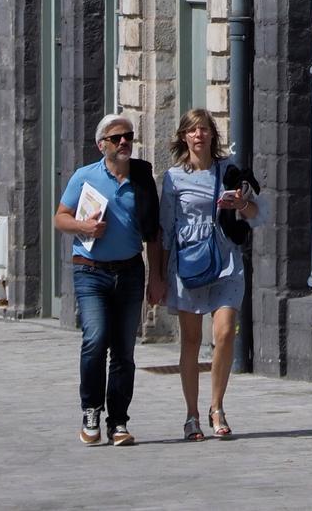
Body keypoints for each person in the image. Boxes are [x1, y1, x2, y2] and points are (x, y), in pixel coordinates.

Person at [54, 111, 167, 447]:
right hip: (91, 271)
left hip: (131, 271)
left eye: (128, 137)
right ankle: (91, 409)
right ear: (101, 144)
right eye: (117, 138)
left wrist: (156, 277)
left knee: (124, 351)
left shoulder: (142, 177)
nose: (124, 143)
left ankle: (118, 421)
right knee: (95, 338)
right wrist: (83, 227)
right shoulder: (84, 177)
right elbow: (60, 218)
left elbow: (153, 233)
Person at [161, 106, 260, 441]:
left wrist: (241, 205)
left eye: (204, 129)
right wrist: (157, 277)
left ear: (212, 135)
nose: (198, 135)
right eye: (192, 130)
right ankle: (191, 415)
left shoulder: (229, 171)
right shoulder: (174, 178)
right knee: (190, 340)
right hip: (189, 263)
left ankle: (216, 406)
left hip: (226, 261)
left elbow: (257, 213)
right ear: (183, 137)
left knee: (224, 334)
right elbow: (165, 229)